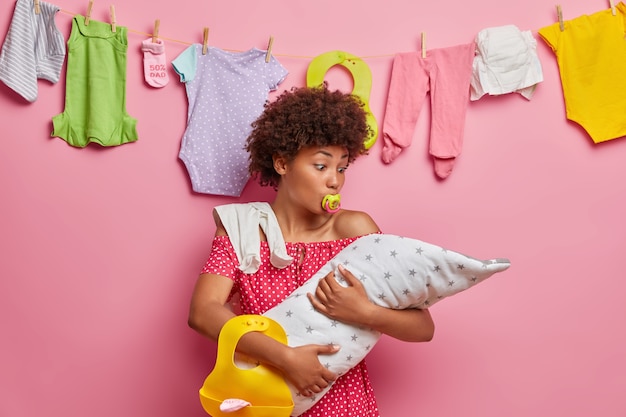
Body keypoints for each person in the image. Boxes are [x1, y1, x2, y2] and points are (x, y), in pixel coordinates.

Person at [188, 84, 435, 417]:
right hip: (262, 401)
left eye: (342, 168)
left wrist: (364, 313)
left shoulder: (356, 230)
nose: (335, 180)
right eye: (321, 166)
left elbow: (423, 327)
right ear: (282, 163)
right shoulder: (241, 227)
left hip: (345, 407)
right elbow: (203, 313)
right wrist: (285, 358)